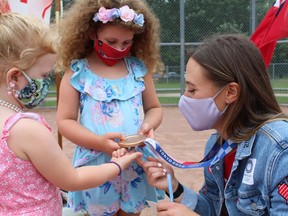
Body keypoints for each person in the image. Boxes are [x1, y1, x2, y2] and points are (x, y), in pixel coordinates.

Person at [0, 12, 142, 216]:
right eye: (43, 75)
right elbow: (72, 179)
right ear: (14, 76)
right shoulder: (26, 128)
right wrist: (117, 165)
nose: (45, 83)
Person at [141, 34, 288, 215]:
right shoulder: (217, 144)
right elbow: (213, 208)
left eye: (192, 89)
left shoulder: (280, 149)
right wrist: (175, 187)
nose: (184, 98)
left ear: (230, 92)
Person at [56, 0, 164, 215]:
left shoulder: (138, 70)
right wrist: (99, 143)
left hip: (134, 160)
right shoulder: (77, 73)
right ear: (91, 33)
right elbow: (64, 121)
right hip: (96, 164)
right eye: (111, 41)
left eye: (127, 43)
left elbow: (154, 108)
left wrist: (148, 124)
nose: (119, 48)